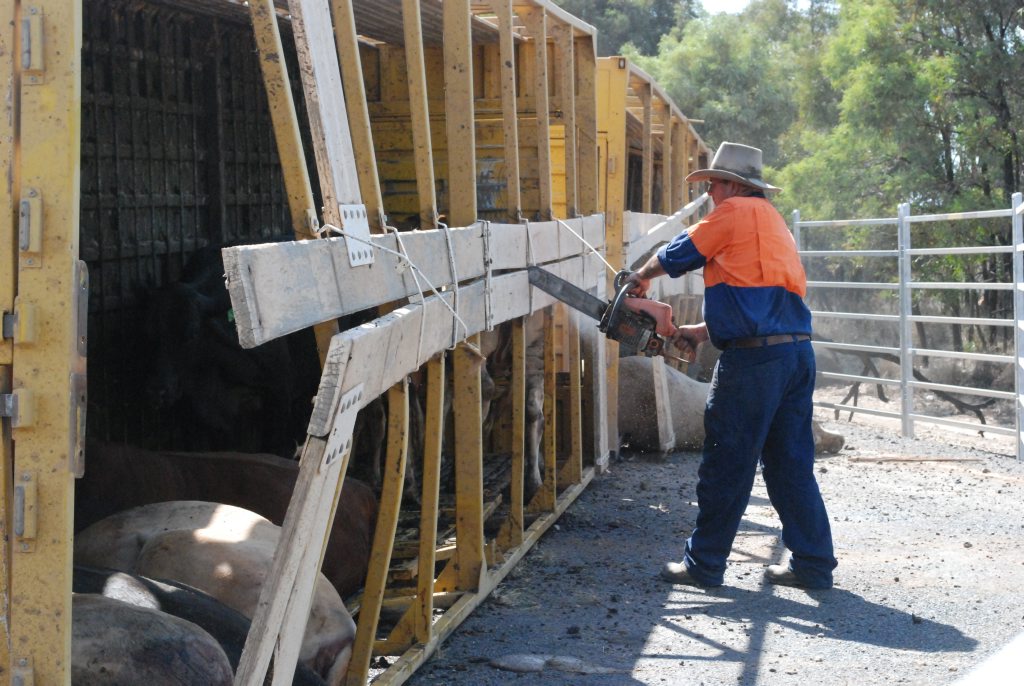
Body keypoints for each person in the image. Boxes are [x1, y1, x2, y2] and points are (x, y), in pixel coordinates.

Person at [625, 141, 837, 589]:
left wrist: (639, 278)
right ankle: (814, 564)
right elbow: (760, 302)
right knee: (789, 462)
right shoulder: (773, 222)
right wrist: (701, 333)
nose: (711, 197)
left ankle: (703, 565)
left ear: (728, 185)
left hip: (756, 363)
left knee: (727, 460)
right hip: (795, 354)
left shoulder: (732, 212)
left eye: (713, 188)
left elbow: (678, 253)